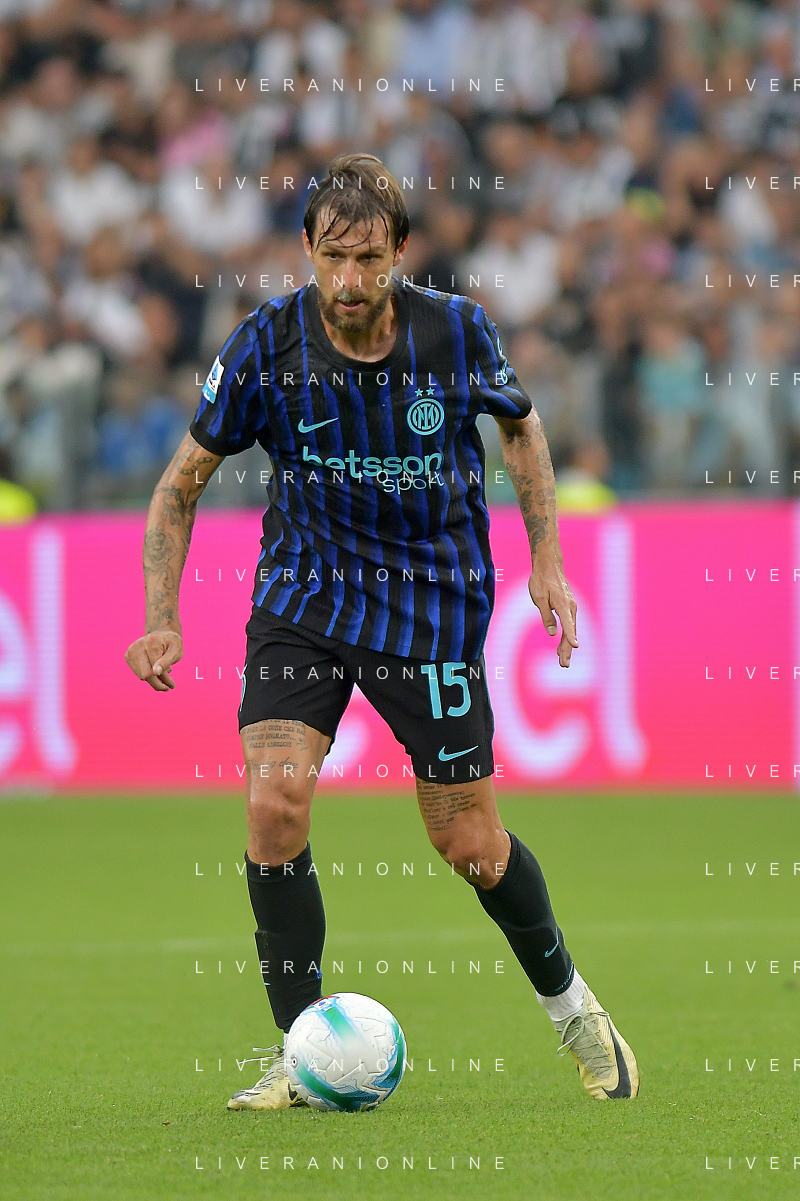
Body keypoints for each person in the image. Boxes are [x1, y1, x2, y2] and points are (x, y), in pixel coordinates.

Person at [124, 152, 638, 1109]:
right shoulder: (265, 345)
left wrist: (548, 560)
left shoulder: (456, 333)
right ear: (307, 249)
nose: (350, 280)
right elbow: (178, 487)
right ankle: (298, 1052)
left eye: (368, 258)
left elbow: (521, 428)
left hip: (429, 605)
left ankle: (576, 1013)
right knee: (274, 804)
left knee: (470, 841)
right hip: (305, 598)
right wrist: (161, 618)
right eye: (333, 257)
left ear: (400, 251)